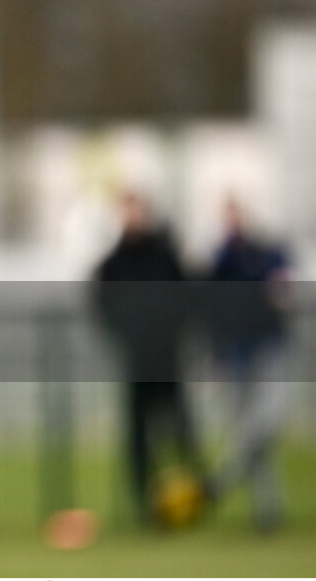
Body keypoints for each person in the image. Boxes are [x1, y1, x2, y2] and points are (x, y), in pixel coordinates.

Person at [94, 190, 204, 525]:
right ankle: (146, 505)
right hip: (136, 362)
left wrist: (174, 331)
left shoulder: (165, 256)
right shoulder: (113, 263)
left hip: (168, 359)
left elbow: (188, 296)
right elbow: (103, 306)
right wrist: (125, 335)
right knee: (138, 437)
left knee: (180, 431)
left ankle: (193, 498)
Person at [205, 195, 290, 532]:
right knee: (252, 437)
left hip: (267, 350)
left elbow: (285, 291)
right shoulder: (220, 261)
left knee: (264, 425)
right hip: (235, 356)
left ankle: (219, 482)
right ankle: (267, 511)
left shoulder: (268, 254)